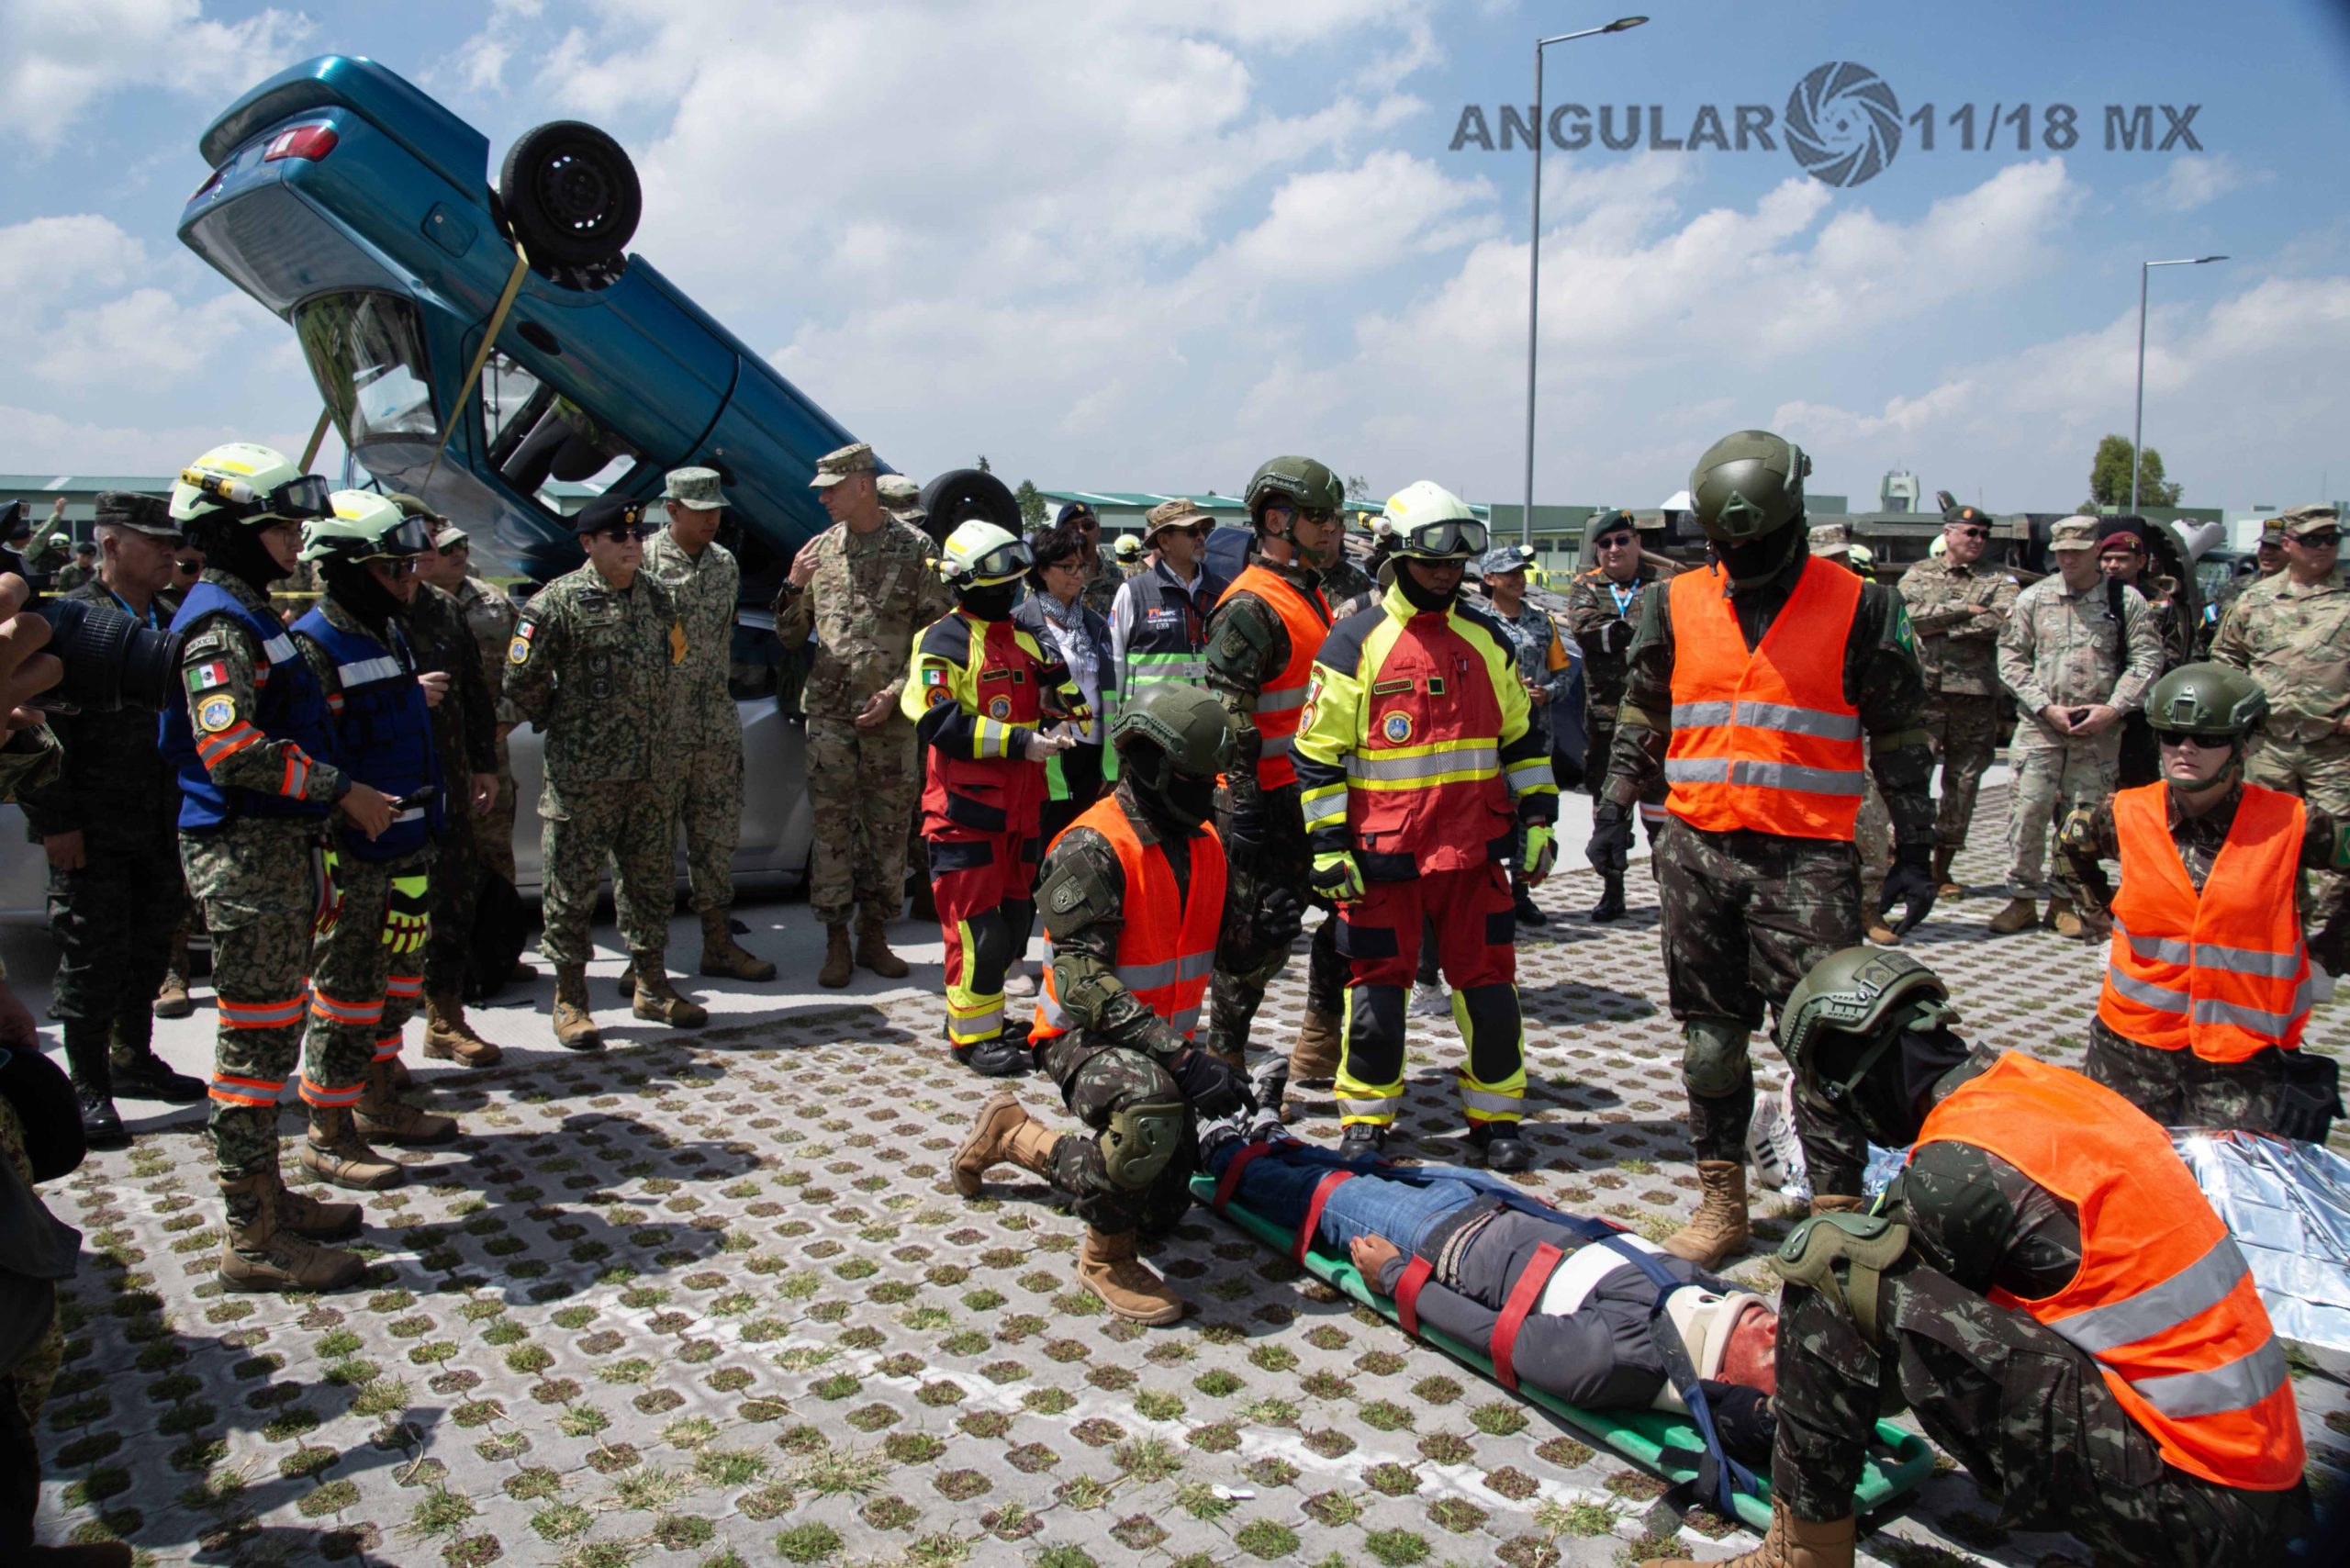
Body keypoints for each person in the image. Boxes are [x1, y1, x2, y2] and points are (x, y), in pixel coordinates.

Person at [1652, 946, 2311, 1568]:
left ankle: (1801, 1554)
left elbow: (1857, 1327)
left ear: (1854, 1068)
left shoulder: (1960, 1171)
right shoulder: (2041, 1093)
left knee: (1833, 1265)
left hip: (2195, 1513)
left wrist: (1775, 1419)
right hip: (2264, 1492)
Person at [1591, 431, 1939, 1268]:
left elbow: (1900, 732)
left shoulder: (1862, 605)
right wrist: (1613, 804)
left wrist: (1916, 848)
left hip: (1807, 859)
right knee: (1710, 1045)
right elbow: (1646, 706)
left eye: (1756, 543)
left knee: (1826, 1040)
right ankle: (1723, 1205)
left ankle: (1837, 1214)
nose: (1740, 560)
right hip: (1696, 851)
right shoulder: (1672, 602)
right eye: (1725, 545)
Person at [950, 686, 1288, 1322]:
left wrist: (1268, 938)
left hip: (1154, 1042)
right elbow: (1084, 986)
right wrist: (1184, 1062)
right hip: (1081, 1037)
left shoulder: (1203, 843)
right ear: (1152, 766)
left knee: (1161, 1208)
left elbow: (1233, 961)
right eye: (1197, 779)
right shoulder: (1092, 847)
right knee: (1148, 1116)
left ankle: (1015, 1135)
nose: (1210, 793)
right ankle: (1106, 1258)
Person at [163, 442, 398, 1294]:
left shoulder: (251, 614)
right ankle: (252, 1237)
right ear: (230, 531)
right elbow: (229, 747)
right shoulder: (220, 625)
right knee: (254, 1050)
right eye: (279, 525)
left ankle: (268, 1199)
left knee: (272, 1036)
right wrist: (343, 791)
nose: (298, 538)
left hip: (277, 855)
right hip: (246, 859)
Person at [1196, 1125, 1777, 1450]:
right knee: (1351, 1165)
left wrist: (1395, 1277)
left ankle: (1213, 1144)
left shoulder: (1622, 1358)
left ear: (1724, 1382)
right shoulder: (1711, 1296)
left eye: (1774, 1355)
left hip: (1433, 1237)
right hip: (1497, 1200)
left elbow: (1491, 1334)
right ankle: (1268, 1134)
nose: (1777, 1328)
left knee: (1313, 1192)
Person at [1295, 483, 1559, 1169]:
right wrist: (1327, 848)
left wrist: (1539, 819)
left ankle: (1497, 1118)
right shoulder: (1355, 641)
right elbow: (1317, 755)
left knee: (1490, 988)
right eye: (1431, 561)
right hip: (1383, 858)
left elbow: (1523, 740)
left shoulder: (1487, 638)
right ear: (1395, 557)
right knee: (1378, 994)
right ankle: (1366, 1118)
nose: (1446, 574)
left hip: (1474, 855)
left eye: (1455, 563)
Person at [2057, 662, 2346, 1136]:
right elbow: (2069, 848)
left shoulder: (2293, 823)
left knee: (2230, 1176)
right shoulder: (2123, 813)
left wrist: (2330, 954)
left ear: (2243, 745)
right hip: (2131, 1048)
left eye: (2208, 739)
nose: (2185, 749)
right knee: (2120, 1165)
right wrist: (2100, 922)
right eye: (2172, 736)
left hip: (2243, 1056)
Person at [287, 491, 461, 1190]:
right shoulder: (312, 644)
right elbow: (313, 756)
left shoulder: (386, 631)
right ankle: (328, 1133)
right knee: (347, 992)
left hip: (409, 846)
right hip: (355, 855)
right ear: (346, 569)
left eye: (409, 566)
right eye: (393, 568)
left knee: (398, 981)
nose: (408, 580)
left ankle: (379, 1100)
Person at [19, 493, 206, 1144]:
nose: (169, 554)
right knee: (91, 956)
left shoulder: (169, 617)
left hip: (159, 816)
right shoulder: (65, 620)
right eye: (155, 542)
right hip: (92, 823)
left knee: (149, 946)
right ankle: (88, 1085)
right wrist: (56, 821)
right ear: (110, 544)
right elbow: (35, 733)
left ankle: (134, 1059)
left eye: (172, 543)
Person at [507, 492, 706, 1050]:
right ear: (588, 543)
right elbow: (521, 679)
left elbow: (676, 661)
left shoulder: (658, 597)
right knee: (569, 891)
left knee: (650, 885)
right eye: (619, 537)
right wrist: (562, 718)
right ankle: (571, 999)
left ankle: (651, 986)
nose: (632, 544)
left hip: (650, 774)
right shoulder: (557, 603)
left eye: (638, 535)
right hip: (583, 778)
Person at [900, 520, 1089, 1073]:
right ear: (965, 581)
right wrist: (1022, 741)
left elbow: (1060, 690)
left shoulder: (1026, 636)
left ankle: (981, 1017)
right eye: (1000, 577)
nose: (1011, 586)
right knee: (976, 931)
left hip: (1023, 811)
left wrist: (1064, 717)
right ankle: (970, 1038)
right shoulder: (942, 641)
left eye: (1015, 575)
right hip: (965, 814)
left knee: (1011, 926)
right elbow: (938, 721)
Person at [778, 442, 950, 987]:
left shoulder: (916, 549)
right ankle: (835, 940)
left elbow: (938, 638)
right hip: (830, 717)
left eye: (831, 488)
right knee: (831, 832)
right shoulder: (820, 550)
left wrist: (897, 692)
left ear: (862, 485)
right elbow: (789, 636)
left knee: (888, 832)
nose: (823, 498)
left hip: (891, 721)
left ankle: (874, 934)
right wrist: (792, 586)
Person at [1205, 456, 1348, 1092]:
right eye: (1319, 518)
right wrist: (1243, 806)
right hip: (1261, 803)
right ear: (1276, 520)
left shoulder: (1307, 591)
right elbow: (1228, 715)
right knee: (1254, 942)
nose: (1332, 529)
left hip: (1310, 794)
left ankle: (1318, 1042)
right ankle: (1225, 1068)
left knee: (1351, 911)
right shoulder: (1250, 605)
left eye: (1334, 518)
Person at [1987, 516, 2163, 938]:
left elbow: (2147, 660)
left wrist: (2114, 709)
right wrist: (2043, 706)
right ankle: (2021, 899)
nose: (2068, 559)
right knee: (2027, 811)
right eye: (2062, 552)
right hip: (2041, 726)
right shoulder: (2034, 599)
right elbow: (2010, 658)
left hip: (2097, 731)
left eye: (2077, 552)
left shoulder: (2125, 601)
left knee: (2081, 817)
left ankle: (2063, 900)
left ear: (2096, 551)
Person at [376, 496, 503, 1070]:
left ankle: (445, 1020)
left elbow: (474, 691)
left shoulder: (444, 609)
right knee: (385, 919)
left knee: (451, 902)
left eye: (429, 535)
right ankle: (378, 1048)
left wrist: (483, 763)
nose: (425, 547)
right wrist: (403, 693)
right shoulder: (358, 612)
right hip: (383, 791)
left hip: (447, 784)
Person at [641, 466, 775, 984]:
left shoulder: (724, 564)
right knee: (649, 847)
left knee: (716, 842)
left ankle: (719, 945)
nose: (712, 520)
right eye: (700, 511)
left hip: (715, 727)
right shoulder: (642, 562)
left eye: (716, 510)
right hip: (659, 731)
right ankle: (645, 958)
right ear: (672, 509)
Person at [2210, 502, 2349, 955]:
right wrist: (2242, 708)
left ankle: (2335, 941)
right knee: (2269, 843)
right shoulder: (2256, 599)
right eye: (2313, 539)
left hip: (2335, 746)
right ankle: (2287, 929)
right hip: (2269, 745)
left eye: (2332, 539)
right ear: (2289, 544)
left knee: (2341, 845)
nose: (2324, 547)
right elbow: (2226, 657)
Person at [1894, 504, 2018, 900]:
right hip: (1926, 694)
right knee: (1912, 777)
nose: (1978, 540)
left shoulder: (1998, 579)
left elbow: (2002, 621)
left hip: (1975, 696)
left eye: (1984, 534)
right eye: (1970, 532)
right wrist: (1963, 610)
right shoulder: (1919, 574)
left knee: (1963, 783)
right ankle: (1904, 859)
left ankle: (1942, 868)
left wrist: (1942, 627)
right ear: (1948, 534)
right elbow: (1906, 617)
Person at [417, 520, 526, 945]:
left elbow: (528, 667)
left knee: (495, 852)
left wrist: (507, 716)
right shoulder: (409, 604)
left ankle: (499, 951)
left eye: (462, 544)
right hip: (430, 751)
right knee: (435, 855)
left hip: (489, 752)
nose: (459, 553)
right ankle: (444, 957)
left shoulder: (494, 602)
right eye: (447, 548)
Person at [1565, 509, 1663, 922]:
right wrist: (1644, 631)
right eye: (1604, 544)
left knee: (1661, 811)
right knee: (1609, 811)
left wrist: (1623, 629)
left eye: (1622, 540)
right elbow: (1588, 631)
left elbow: (1675, 635)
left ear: (1637, 543)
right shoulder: (1586, 586)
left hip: (1658, 720)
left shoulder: (1664, 585)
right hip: (1606, 720)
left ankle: (1672, 890)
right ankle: (1612, 890)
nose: (1613, 549)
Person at [1478, 543, 1581, 926]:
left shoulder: (1542, 623)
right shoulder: (1479, 625)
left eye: (1521, 573)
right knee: (1489, 813)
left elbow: (1564, 673)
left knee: (1533, 815)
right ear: (1489, 579)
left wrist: (1547, 693)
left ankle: (1521, 893)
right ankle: (1489, 893)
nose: (1518, 579)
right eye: (1509, 573)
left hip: (1537, 738)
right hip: (1492, 741)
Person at [1810, 526, 1895, 944]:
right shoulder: (1791, 609)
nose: (1836, 566)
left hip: (1861, 736)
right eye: (1826, 559)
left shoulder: (1872, 605)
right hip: (1808, 740)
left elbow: (1901, 670)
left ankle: (1869, 909)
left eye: (1841, 557)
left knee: (1869, 822)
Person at [1105, 498, 1226, 782]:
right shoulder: (1134, 592)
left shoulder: (1223, 591)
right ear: (1164, 541)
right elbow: (1115, 666)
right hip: (1149, 736)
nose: (1200, 537)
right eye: (1191, 531)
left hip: (1205, 735)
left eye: (1203, 530)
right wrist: (1114, 739)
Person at [1013, 521, 1114, 854]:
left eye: (1081, 566)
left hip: (1094, 749)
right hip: (1047, 748)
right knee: (1044, 841)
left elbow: (1107, 690)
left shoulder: (1095, 624)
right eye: (1067, 567)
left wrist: (1110, 758)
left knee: (1082, 843)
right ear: (1042, 570)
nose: (1077, 574)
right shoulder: (1021, 623)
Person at [2098, 525, 2188, 790]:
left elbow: (2172, 653)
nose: (2113, 566)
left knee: (2137, 781)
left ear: (2140, 562)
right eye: (2107, 559)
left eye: (2122, 559)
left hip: (2141, 707)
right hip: (2097, 701)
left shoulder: (2160, 602)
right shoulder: (2090, 596)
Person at [2199, 518, 2285, 657]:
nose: (2267, 552)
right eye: (2264, 545)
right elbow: (2206, 629)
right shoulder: (2232, 588)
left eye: (2276, 547)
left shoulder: (2298, 593)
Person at [1055, 501, 1125, 618]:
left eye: (1087, 525)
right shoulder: (1052, 577)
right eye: (1072, 528)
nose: (1081, 531)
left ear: (1098, 530)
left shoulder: (1115, 576)